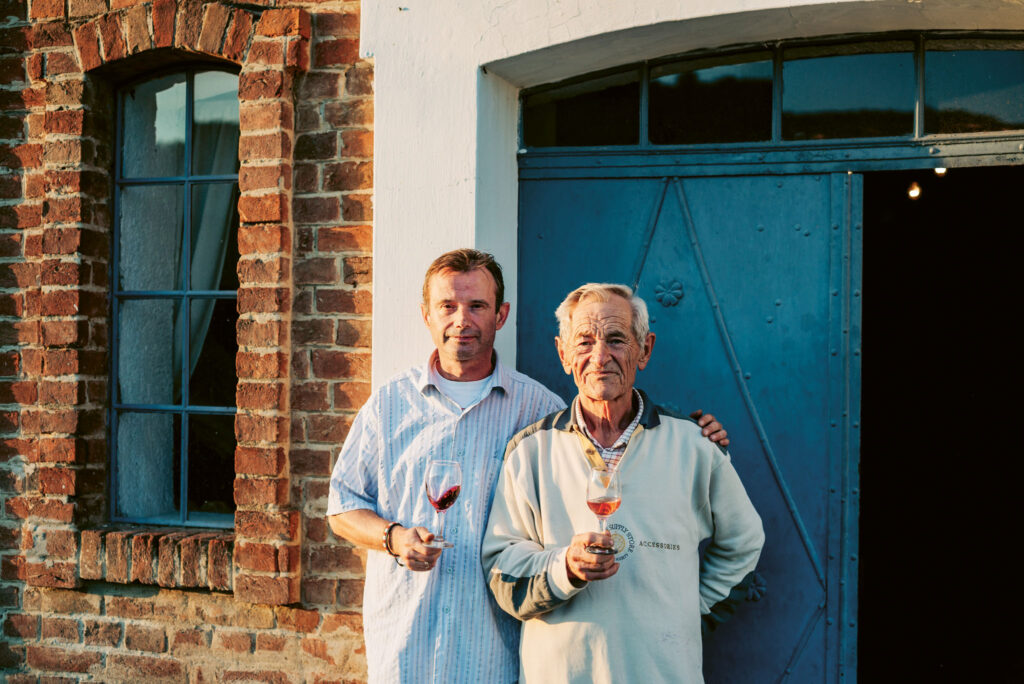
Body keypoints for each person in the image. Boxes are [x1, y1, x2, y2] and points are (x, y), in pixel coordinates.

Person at [326, 251, 730, 683]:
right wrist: (393, 538)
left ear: (500, 315)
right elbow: (342, 506)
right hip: (405, 647)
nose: (461, 320)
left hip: (494, 654)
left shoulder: (540, 410)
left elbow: (612, 450)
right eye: (447, 306)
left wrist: (691, 434)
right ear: (426, 315)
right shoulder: (388, 405)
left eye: (477, 306)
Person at [482, 282, 765, 684]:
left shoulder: (694, 446)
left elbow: (744, 541)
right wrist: (566, 568)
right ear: (563, 354)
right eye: (584, 342)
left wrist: (689, 611)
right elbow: (502, 570)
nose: (600, 357)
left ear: (644, 350)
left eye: (616, 339)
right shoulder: (531, 450)